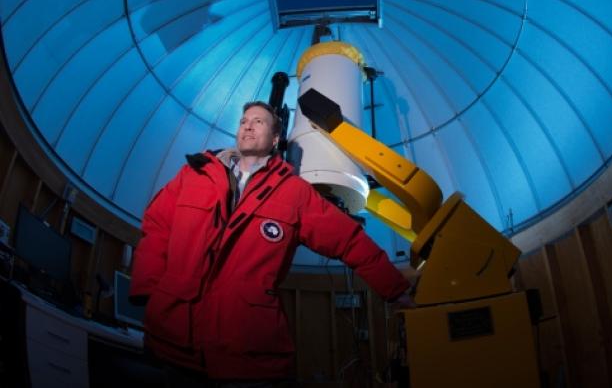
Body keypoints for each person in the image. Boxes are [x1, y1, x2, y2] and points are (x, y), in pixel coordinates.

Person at [130, 101, 412, 386]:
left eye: (259, 122)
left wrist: (395, 289)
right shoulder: (194, 174)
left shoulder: (293, 193)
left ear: (276, 139)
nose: (248, 125)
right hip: (171, 339)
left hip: (244, 352)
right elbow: (157, 226)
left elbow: (348, 240)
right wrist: (151, 294)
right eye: (244, 121)